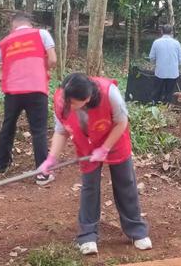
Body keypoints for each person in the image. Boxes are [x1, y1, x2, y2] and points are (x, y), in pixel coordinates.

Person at [38, 73, 151, 255]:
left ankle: (137, 231)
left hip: (114, 139)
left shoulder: (110, 93)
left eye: (74, 104)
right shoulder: (62, 99)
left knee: (125, 183)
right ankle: (87, 235)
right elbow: (61, 131)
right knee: (89, 186)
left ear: (87, 98)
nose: (69, 106)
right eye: (67, 101)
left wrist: (105, 148)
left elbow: (122, 122)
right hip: (87, 144)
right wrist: (51, 158)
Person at [0, 11, 57, 185]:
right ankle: (42, 174)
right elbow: (53, 59)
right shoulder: (42, 34)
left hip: (12, 92)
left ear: (14, 26)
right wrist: (45, 70)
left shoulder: (5, 42)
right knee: (39, 131)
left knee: (8, 126)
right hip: (36, 89)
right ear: (29, 24)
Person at [149, 25, 181, 104]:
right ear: (171, 32)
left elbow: (152, 58)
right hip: (173, 73)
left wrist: (157, 64)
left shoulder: (156, 42)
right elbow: (180, 60)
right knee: (169, 93)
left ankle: (155, 106)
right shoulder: (176, 43)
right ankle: (166, 108)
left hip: (160, 72)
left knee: (157, 92)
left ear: (162, 31)